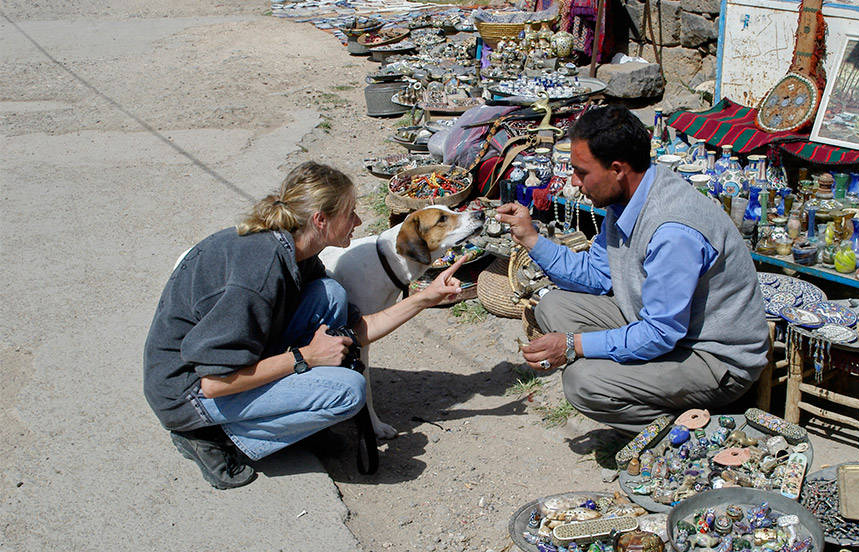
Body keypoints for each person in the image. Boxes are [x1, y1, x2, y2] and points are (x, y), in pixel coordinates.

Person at [143, 162, 466, 489]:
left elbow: (357, 331)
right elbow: (214, 383)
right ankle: (215, 437)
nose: (358, 221)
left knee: (331, 294)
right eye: (350, 213)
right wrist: (306, 357)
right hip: (189, 393)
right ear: (320, 220)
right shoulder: (258, 274)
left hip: (225, 367)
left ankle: (290, 420)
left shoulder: (296, 252)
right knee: (346, 392)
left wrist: (425, 298)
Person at [496, 105, 768, 432]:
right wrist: (530, 238)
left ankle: (697, 432)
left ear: (617, 169)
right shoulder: (625, 196)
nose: (574, 181)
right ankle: (642, 386)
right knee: (554, 305)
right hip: (660, 328)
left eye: (582, 171)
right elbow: (596, 276)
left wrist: (571, 345)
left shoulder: (672, 232)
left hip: (712, 359)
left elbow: (660, 333)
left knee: (583, 382)